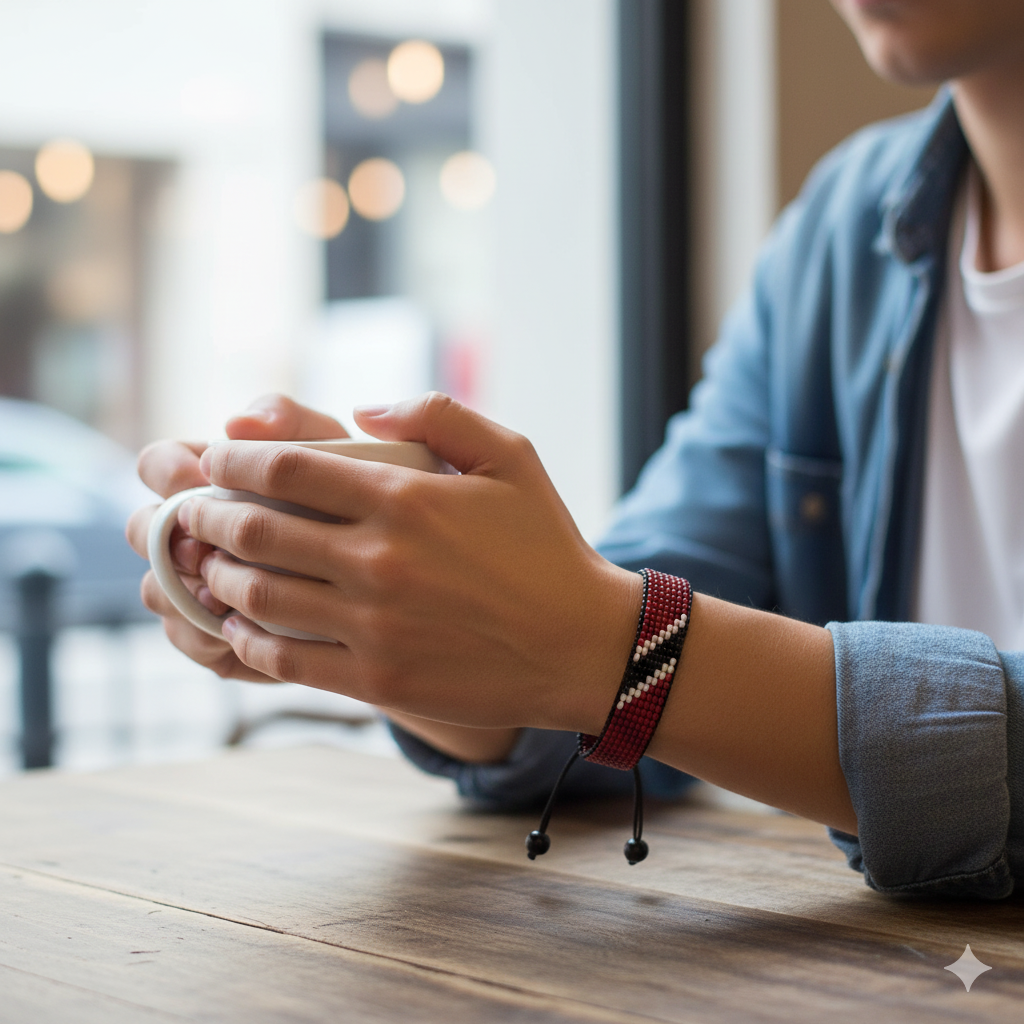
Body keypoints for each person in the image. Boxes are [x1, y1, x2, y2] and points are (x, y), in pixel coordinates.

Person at [126, 0, 1024, 899]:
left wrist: (600, 645)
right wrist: (384, 621)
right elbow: (629, 639)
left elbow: (625, 644)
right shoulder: (842, 229)